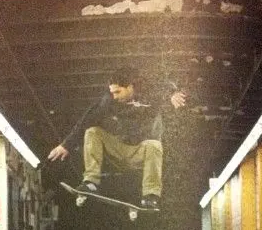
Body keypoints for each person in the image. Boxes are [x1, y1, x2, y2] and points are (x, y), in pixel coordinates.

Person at [48, 68, 186, 209]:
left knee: (154, 145)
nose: (114, 96)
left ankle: (150, 196)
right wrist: (66, 145)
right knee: (92, 131)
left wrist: (173, 93)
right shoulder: (108, 100)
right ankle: (90, 182)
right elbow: (87, 119)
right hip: (118, 150)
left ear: (130, 87)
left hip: (140, 152)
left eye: (118, 92)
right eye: (112, 92)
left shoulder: (149, 94)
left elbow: (165, 82)